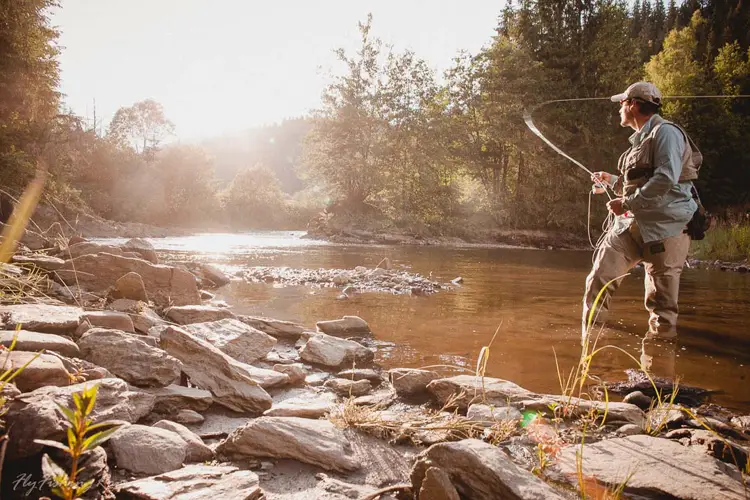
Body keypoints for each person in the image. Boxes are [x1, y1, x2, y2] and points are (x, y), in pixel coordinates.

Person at [583, 81, 699, 340]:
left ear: (634, 105)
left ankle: (658, 372)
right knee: (598, 282)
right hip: (631, 227)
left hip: (666, 230)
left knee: (662, 308)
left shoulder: (666, 133)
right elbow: (643, 181)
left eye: (622, 103)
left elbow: (666, 178)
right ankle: (590, 356)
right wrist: (612, 181)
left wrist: (625, 203)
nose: (619, 109)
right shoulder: (639, 140)